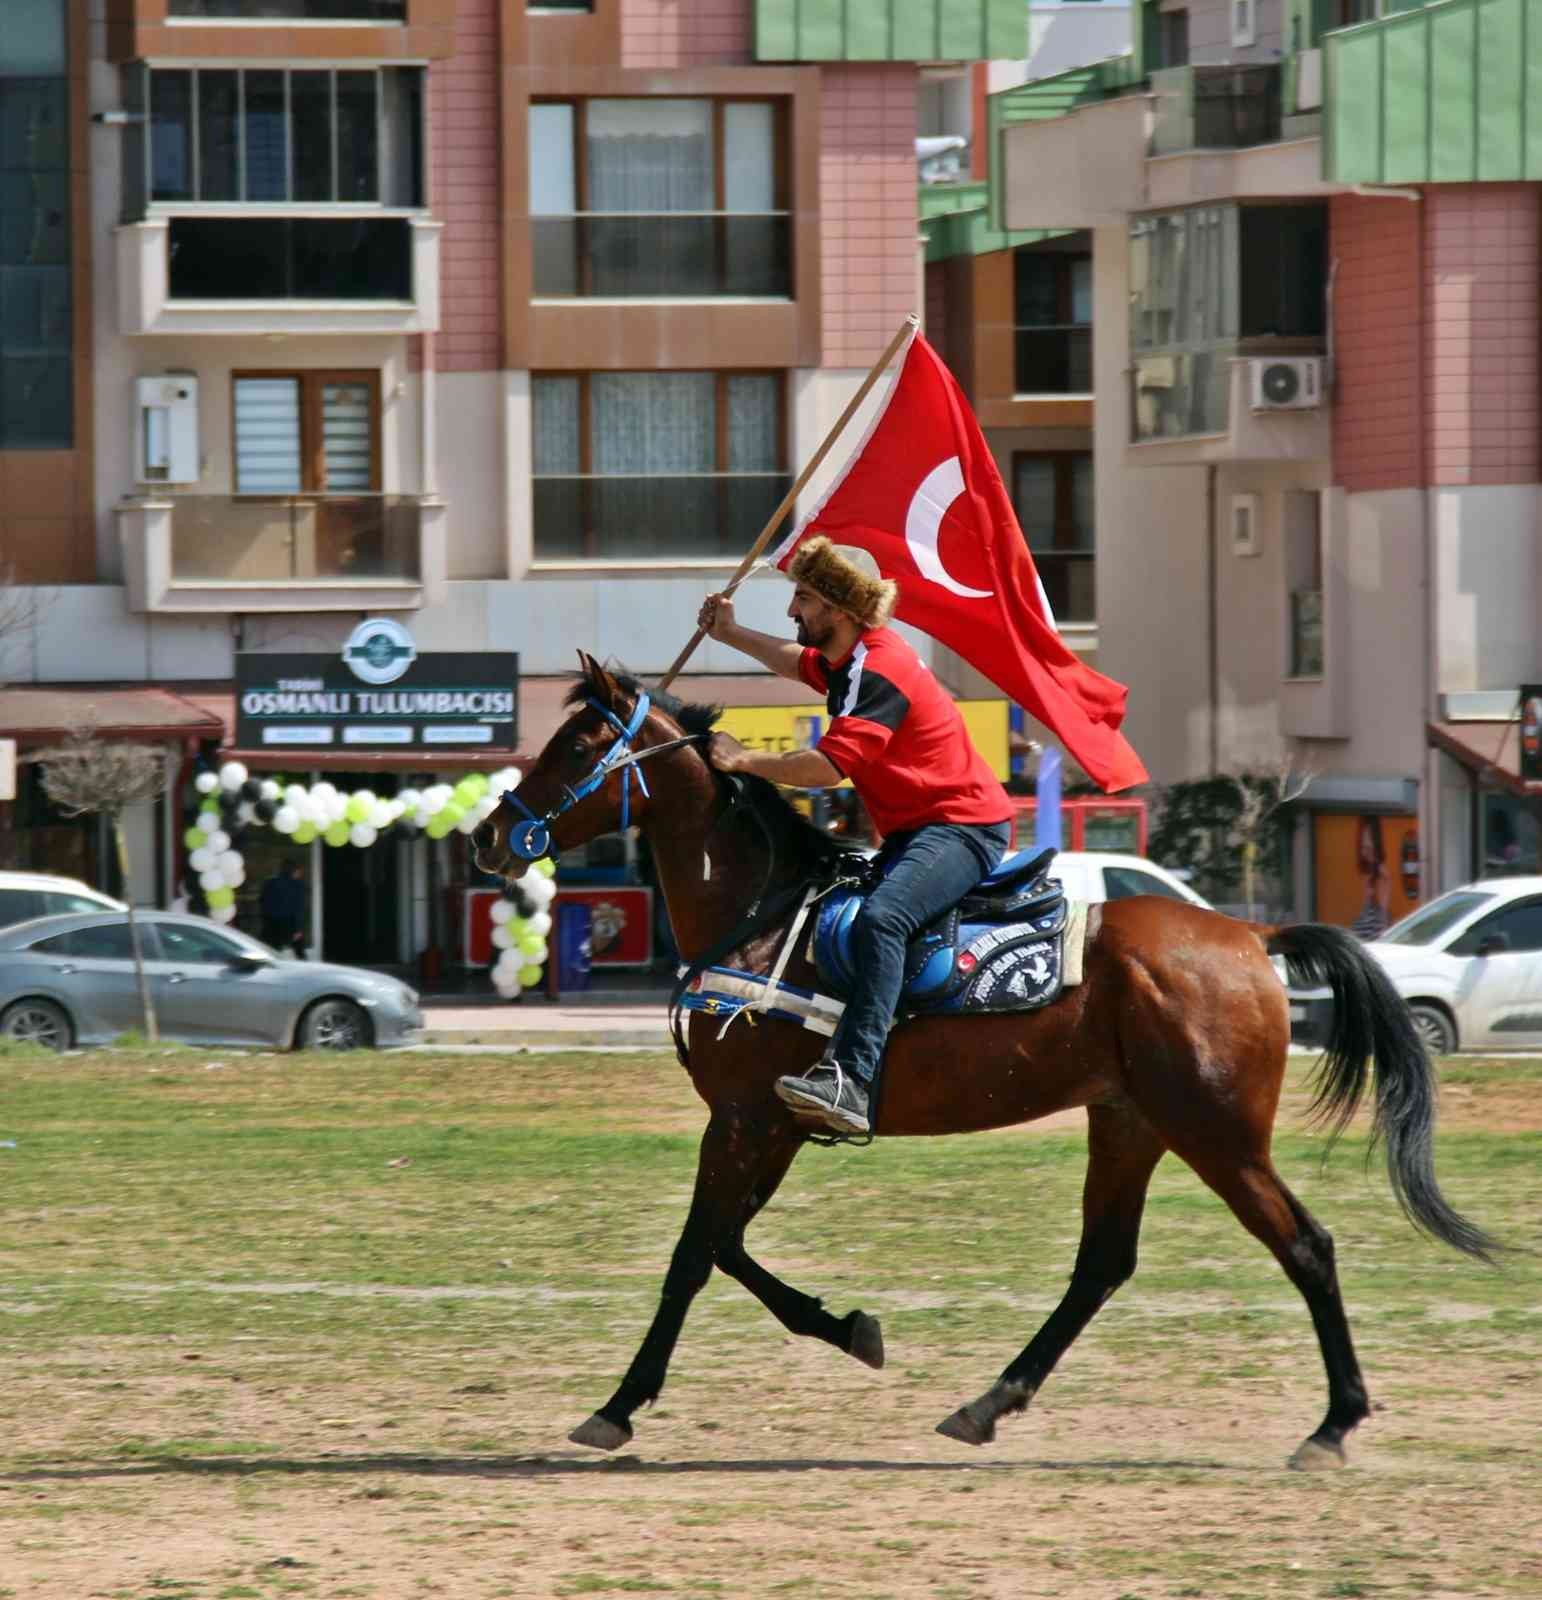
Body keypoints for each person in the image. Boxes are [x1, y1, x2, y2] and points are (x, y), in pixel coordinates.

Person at [698, 537, 1013, 1138]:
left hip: (962, 827)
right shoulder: (849, 661)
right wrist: (729, 634)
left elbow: (826, 768)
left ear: (839, 609)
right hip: (920, 831)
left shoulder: (881, 668)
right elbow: (797, 662)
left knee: (883, 919)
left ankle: (851, 1081)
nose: (792, 610)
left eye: (803, 597)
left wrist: (744, 761)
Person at [1349, 815, 1390, 942]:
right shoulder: (1367, 873)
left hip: (1372, 937)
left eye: (1369, 844)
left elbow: (1382, 916)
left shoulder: (1381, 875)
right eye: (1364, 846)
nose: (1366, 848)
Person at [259, 859, 308, 957]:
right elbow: (298, 908)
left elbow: (262, 902)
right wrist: (298, 929)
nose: (300, 874)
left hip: (271, 923)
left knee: (273, 953)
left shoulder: (270, 883)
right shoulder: (297, 885)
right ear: (295, 871)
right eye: (299, 871)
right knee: (300, 953)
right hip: (290, 923)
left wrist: (266, 920)